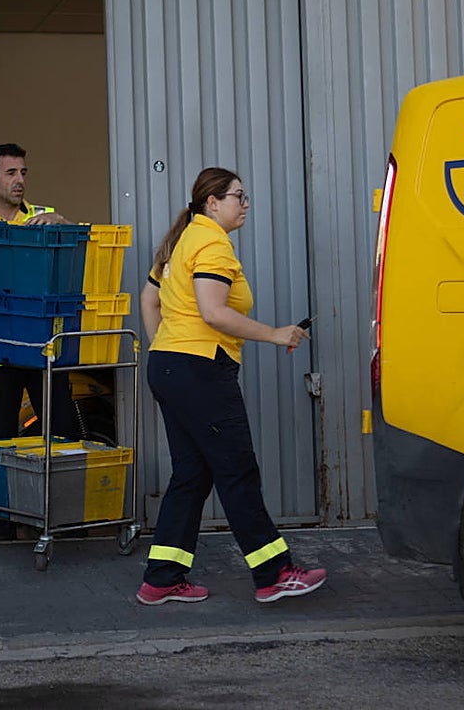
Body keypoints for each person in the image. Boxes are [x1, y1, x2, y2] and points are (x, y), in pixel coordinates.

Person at [136, 167, 327, 605]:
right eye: (238, 196)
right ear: (212, 202)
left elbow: (148, 298)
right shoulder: (212, 243)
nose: (245, 204)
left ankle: (162, 577)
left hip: (170, 367)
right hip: (200, 371)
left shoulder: (180, 240)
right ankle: (274, 574)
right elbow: (213, 312)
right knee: (237, 471)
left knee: (192, 473)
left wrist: (165, 347)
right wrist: (277, 334)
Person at [0, 142, 80, 464]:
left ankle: (62, 509)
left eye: (23, 172)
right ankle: (3, 515)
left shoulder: (44, 216)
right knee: (0, 438)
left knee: (63, 431)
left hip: (43, 343)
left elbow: (73, 265)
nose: (19, 180)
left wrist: (62, 223)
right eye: (10, 173)